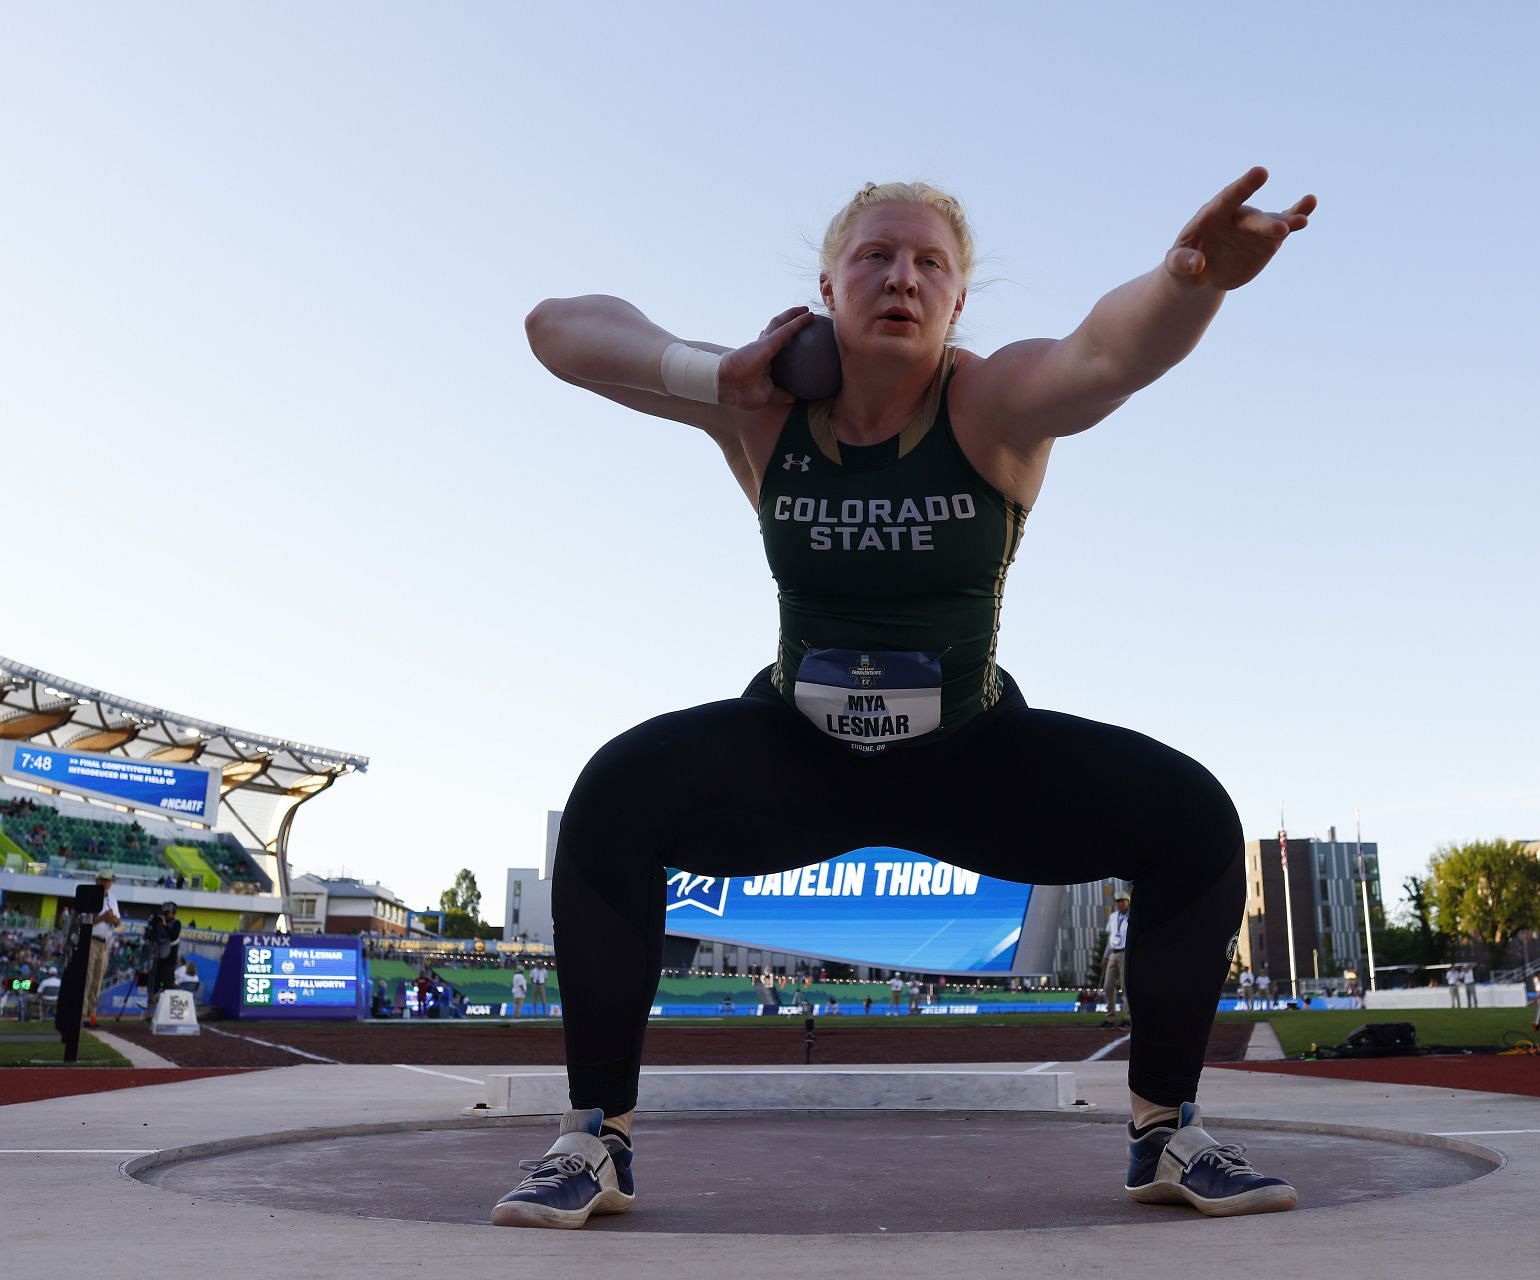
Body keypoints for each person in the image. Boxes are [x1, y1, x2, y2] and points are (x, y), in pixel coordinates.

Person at [492, 169, 1313, 1230]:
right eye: (875, 256)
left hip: (968, 757)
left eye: (931, 263)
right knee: (612, 795)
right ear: (826, 288)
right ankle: (592, 1140)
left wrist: (1191, 280)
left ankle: (1167, 1131)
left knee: (1193, 815)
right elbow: (554, 327)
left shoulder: (990, 402)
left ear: (959, 304)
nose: (902, 278)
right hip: (794, 757)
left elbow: (1108, 353)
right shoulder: (758, 406)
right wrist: (717, 372)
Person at [82, 870, 121, 1028]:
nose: (106, 883)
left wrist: (113, 919)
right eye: (104, 880)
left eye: (109, 880)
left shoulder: (112, 899)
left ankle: (92, 1016)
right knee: (87, 979)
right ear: (97, 880)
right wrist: (103, 918)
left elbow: (117, 922)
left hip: (105, 942)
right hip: (90, 940)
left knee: (97, 981)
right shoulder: (89, 895)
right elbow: (85, 919)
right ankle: (83, 1016)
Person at [1101, 893, 1131, 1028]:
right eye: (1118, 901)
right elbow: (1110, 938)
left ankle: (1128, 1017)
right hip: (1114, 952)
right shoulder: (1113, 917)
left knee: (1125, 986)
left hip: (1126, 952)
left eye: (1123, 901)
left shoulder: (1132, 916)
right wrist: (1105, 956)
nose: (1120, 904)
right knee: (1107, 986)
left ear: (1128, 902)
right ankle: (1110, 1017)